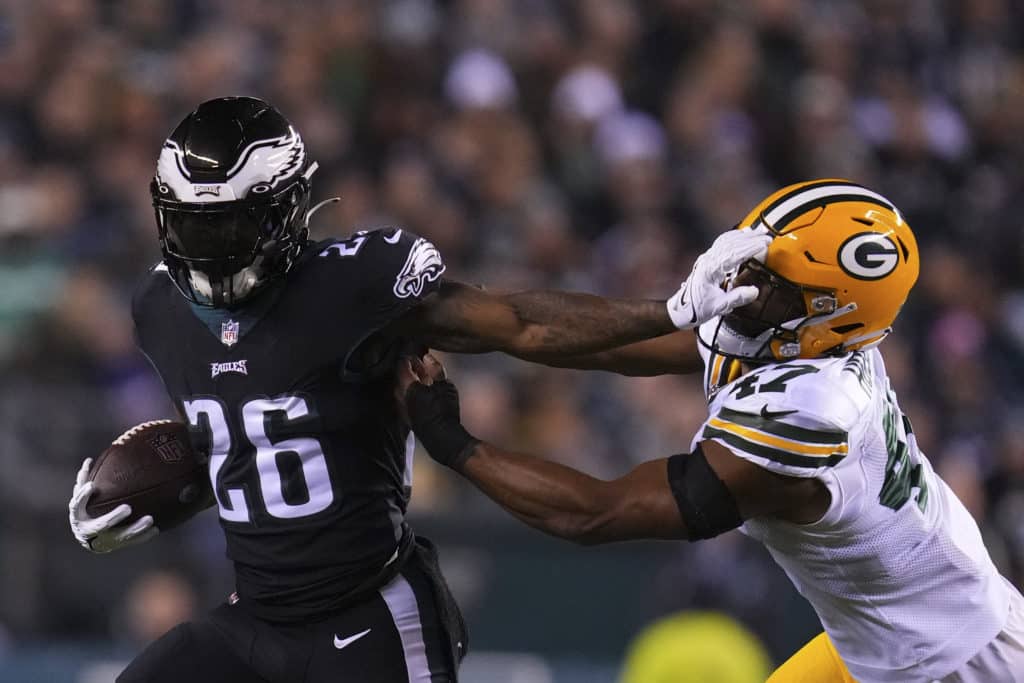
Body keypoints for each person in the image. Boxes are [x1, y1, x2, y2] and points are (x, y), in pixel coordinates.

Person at [65, 96, 765, 683]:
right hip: (255, 617)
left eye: (228, 227)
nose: (207, 250)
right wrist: (158, 483)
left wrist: (671, 315)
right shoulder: (158, 308)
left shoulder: (352, 289)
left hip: (367, 614)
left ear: (282, 212)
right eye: (191, 225)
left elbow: (520, 325)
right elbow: (237, 424)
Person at [401, 179, 1024, 683]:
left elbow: (595, 514)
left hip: (948, 663)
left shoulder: (811, 412)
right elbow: (611, 346)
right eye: (759, 264)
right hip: (899, 636)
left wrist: (454, 444)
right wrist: (449, 317)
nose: (749, 289)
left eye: (776, 287)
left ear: (828, 316)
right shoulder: (805, 338)